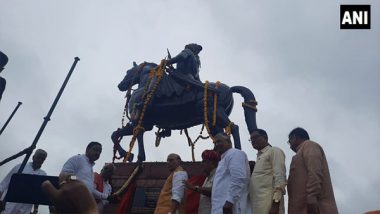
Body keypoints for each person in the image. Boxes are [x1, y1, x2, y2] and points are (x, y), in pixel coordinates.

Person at [287, 127, 338, 214]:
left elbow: (314, 170)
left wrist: (312, 196)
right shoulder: (301, 152)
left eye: (289, 141)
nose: (290, 145)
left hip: (313, 207)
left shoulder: (309, 145)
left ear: (294, 137)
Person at [249, 129, 287, 214]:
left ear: (265, 138)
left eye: (255, 137)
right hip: (257, 208)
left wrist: (275, 204)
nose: (253, 141)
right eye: (251, 139)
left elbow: (280, 177)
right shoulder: (259, 157)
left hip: (270, 208)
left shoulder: (274, 151)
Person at [212, 133, 251, 214]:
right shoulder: (224, 158)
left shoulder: (235, 153)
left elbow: (239, 178)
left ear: (229, 142)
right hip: (220, 208)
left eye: (219, 142)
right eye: (215, 143)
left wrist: (230, 201)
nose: (216, 145)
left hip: (231, 207)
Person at [0, 149, 47, 214]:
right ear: (33, 157)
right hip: (9, 205)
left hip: (25, 209)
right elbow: (3, 185)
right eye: (39, 157)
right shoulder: (20, 167)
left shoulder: (43, 174)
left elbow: (38, 194)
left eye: (43, 159)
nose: (40, 160)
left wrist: (36, 209)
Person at [184, 149, 220, 214]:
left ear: (212, 163)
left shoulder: (219, 175)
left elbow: (215, 192)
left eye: (204, 161)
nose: (201, 164)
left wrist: (194, 188)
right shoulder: (207, 177)